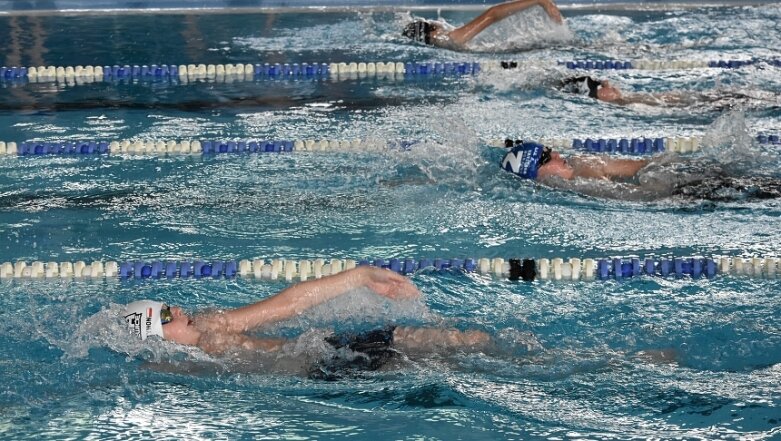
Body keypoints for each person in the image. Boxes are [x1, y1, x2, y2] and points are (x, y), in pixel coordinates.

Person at [122, 266, 492, 377]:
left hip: (339, 350)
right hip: (330, 371)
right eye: (168, 315)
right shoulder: (175, 366)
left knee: (472, 341)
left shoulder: (212, 326)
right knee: (459, 365)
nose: (182, 312)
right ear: (154, 336)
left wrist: (360, 276)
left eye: (172, 306)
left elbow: (287, 304)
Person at [500, 139, 781, 201]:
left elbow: (647, 169)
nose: (558, 155)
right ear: (535, 175)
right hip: (680, 191)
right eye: (547, 157)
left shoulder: (582, 169)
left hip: (678, 191)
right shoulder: (573, 186)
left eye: (551, 150)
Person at [402, 0, 564, 50]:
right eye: (434, 24)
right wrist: (539, 0)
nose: (442, 23)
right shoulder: (452, 38)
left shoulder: (445, 43)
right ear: (433, 32)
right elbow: (492, 15)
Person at [557, 75, 774, 108]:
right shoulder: (633, 107)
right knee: (737, 99)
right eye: (603, 86)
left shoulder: (629, 101)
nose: (610, 85)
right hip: (693, 106)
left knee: (737, 95)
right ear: (598, 96)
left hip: (694, 101)